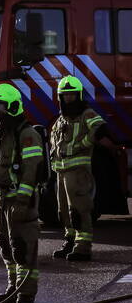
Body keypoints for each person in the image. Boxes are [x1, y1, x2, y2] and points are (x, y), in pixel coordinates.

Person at [0, 83, 44, 303]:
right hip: (1, 199)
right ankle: (13, 286)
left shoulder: (26, 134)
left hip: (20, 200)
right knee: (6, 245)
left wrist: (22, 200)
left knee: (23, 246)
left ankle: (26, 292)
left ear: (11, 106)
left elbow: (31, 171)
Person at [49, 76, 119, 261]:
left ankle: (83, 247)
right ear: (60, 97)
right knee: (63, 210)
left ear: (78, 95)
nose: (69, 98)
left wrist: (85, 143)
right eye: (65, 95)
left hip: (78, 170)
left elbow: (100, 129)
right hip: (61, 172)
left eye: (72, 95)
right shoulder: (61, 119)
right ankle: (70, 241)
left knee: (80, 208)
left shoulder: (86, 113)